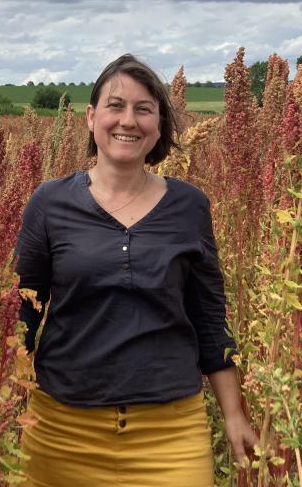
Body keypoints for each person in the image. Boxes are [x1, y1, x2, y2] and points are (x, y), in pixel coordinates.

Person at [15, 54, 257, 485]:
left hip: (170, 432)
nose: (128, 120)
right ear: (91, 118)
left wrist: (234, 416)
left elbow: (209, 319)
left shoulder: (189, 206)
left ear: (159, 125)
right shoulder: (50, 203)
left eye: (144, 109)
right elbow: (23, 311)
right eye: (115, 105)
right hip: (61, 428)